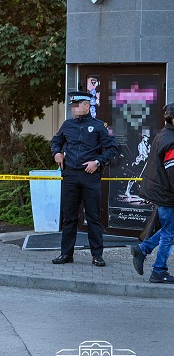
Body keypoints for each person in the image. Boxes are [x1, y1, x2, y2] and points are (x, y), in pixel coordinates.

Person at [50, 91, 118, 267]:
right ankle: (66, 254)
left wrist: (97, 161)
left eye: (77, 105)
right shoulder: (67, 125)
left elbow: (112, 149)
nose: (73, 108)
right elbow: (56, 142)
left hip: (90, 176)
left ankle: (97, 255)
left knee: (93, 217)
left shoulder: (99, 126)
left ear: (87, 106)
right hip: (71, 175)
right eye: (72, 105)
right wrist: (56, 152)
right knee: (69, 217)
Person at [130, 103, 174, 283]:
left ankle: (143, 249)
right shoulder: (171, 141)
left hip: (162, 191)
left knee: (169, 230)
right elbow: (173, 174)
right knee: (169, 234)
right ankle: (159, 270)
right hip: (167, 194)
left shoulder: (165, 134)